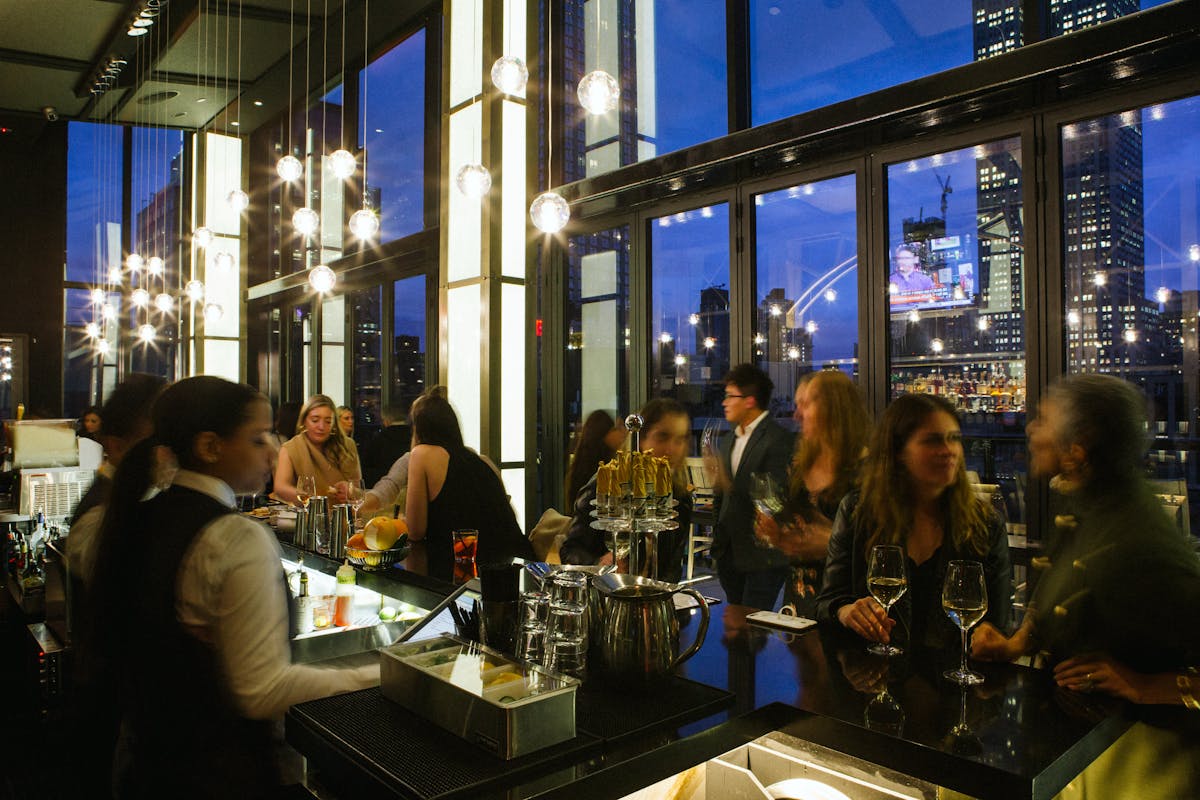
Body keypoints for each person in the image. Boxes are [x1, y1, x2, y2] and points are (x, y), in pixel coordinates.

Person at [86, 376, 378, 797]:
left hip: (143, 766)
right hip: (218, 774)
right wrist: (380, 675)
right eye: (258, 438)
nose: (274, 451)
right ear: (210, 447)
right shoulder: (235, 538)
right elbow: (261, 691)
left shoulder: (139, 516)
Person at [816, 393, 1011, 650]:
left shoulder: (985, 524)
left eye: (954, 439)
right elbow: (828, 601)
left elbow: (998, 624)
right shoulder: (858, 512)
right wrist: (846, 611)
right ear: (898, 453)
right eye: (933, 441)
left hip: (952, 680)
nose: (948, 451)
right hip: (873, 674)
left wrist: (992, 638)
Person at [754, 370, 870, 614]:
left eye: (805, 404)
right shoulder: (799, 467)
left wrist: (830, 543)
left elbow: (885, 551)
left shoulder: (869, 472)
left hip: (849, 608)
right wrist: (778, 534)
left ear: (834, 409)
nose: (796, 415)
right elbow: (796, 532)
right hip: (798, 606)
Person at [405, 388, 534, 581]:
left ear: (419, 428)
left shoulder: (421, 454)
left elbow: (415, 531)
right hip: (513, 567)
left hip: (461, 572)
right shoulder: (481, 459)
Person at [560, 398, 692, 582]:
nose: (672, 448)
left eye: (680, 439)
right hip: (607, 595)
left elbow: (671, 569)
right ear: (641, 439)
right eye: (663, 436)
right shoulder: (608, 485)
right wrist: (598, 563)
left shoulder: (679, 497)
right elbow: (570, 551)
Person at [67, 373, 167, 592]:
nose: (168, 449)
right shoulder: (95, 520)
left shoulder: (149, 496)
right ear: (116, 447)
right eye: (157, 438)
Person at [710, 363, 795, 609]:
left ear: (749, 401)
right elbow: (721, 495)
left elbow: (774, 500)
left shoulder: (777, 439)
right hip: (728, 553)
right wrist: (718, 536)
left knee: (754, 631)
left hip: (762, 557)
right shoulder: (728, 439)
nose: (724, 402)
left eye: (730, 396)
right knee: (736, 626)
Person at [273, 394, 361, 505]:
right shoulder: (290, 448)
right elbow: (281, 488)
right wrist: (311, 498)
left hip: (344, 515)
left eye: (328, 421)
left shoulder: (347, 445)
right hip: (309, 515)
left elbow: (358, 489)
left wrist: (349, 490)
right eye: (315, 420)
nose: (321, 427)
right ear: (304, 421)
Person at [564, 409, 624, 506]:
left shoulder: (585, 463)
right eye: (616, 429)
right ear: (603, 435)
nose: (622, 433)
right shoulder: (597, 473)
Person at [359, 403, 411, 487]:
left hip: (383, 489)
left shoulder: (378, 439)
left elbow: (365, 470)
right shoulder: (414, 438)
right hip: (409, 487)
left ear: (386, 421)